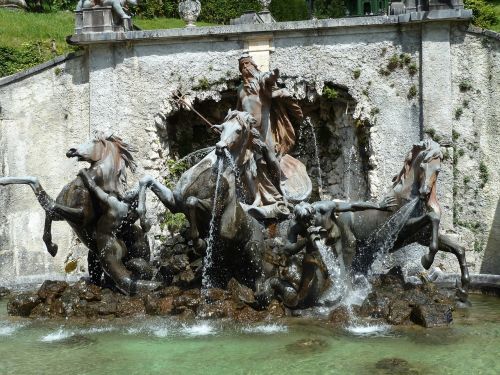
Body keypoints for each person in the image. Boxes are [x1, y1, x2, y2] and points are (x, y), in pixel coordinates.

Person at [78, 169, 161, 294]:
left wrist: (84, 173)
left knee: (124, 279)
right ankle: (156, 285)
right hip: (118, 249)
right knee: (97, 256)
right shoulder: (128, 213)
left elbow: (93, 187)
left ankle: (158, 287)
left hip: (112, 247)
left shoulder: (114, 205)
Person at [236, 55, 303, 208]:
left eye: (248, 64)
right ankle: (260, 196)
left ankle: (280, 189)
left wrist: (274, 75)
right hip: (250, 132)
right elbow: (238, 110)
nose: (245, 68)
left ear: (254, 66)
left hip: (265, 130)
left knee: (271, 159)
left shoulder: (261, 82)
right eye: (242, 66)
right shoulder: (240, 89)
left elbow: (269, 79)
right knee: (255, 163)